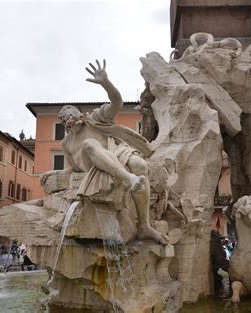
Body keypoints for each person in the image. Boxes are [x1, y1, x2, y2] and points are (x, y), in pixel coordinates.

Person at [40, 60, 167, 245]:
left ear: (79, 114)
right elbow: (74, 169)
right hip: (92, 167)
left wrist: (106, 83)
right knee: (89, 144)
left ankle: (144, 225)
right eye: (64, 117)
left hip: (115, 153)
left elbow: (117, 102)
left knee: (140, 165)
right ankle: (129, 179)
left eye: (71, 114)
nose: (69, 118)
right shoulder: (66, 143)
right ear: (62, 123)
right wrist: (53, 172)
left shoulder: (95, 119)